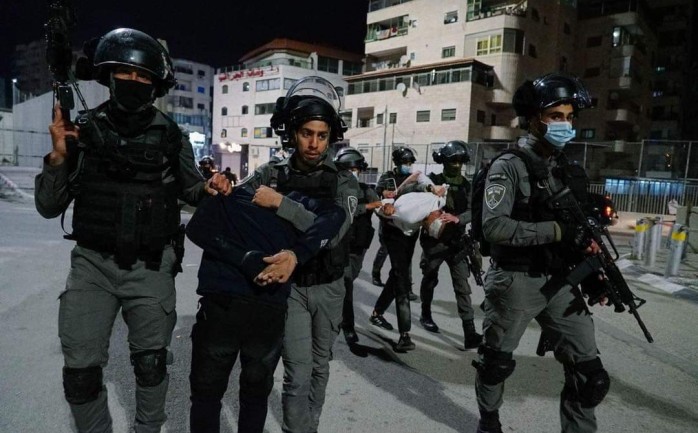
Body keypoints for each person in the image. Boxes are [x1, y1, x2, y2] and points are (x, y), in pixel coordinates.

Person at [34, 28, 232, 433]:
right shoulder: (84, 130)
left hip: (150, 266)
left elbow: (191, 189)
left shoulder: (171, 135)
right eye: (125, 72)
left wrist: (212, 188)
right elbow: (48, 206)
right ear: (108, 76)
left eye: (143, 75)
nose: (134, 81)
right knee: (80, 373)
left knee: (151, 365)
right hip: (92, 267)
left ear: (156, 84)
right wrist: (57, 156)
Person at [473, 73, 609, 433]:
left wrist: (590, 267)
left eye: (569, 117)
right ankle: (489, 422)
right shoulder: (509, 166)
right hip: (516, 280)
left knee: (590, 376)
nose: (565, 125)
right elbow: (494, 227)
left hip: (561, 280)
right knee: (496, 364)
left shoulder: (565, 168)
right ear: (533, 119)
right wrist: (558, 231)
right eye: (555, 116)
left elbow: (577, 227)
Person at [244, 76, 359, 433]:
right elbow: (236, 205)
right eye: (307, 133)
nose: (313, 143)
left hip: (330, 287)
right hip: (291, 288)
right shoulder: (270, 174)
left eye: (322, 135)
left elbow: (333, 233)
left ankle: (310, 426)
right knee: (297, 372)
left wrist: (281, 204)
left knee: (320, 367)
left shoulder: (344, 181)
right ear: (293, 133)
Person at [186, 183, 346, 433]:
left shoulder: (285, 201)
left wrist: (288, 249)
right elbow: (334, 217)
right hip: (251, 304)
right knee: (245, 394)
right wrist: (261, 258)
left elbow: (197, 228)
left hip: (238, 303)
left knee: (215, 393)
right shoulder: (242, 194)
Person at [369, 147, 445, 352]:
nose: (408, 165)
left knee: (397, 274)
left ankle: (377, 313)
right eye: (405, 162)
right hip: (392, 232)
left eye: (410, 162)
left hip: (410, 233)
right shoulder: (388, 178)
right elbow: (380, 196)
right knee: (402, 278)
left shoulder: (416, 179)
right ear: (397, 162)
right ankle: (405, 334)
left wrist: (432, 188)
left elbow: (422, 184)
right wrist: (386, 196)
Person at [418, 140, 482, 350]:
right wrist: (430, 191)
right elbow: (416, 191)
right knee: (429, 279)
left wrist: (458, 219)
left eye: (460, 161)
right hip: (434, 242)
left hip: (457, 243)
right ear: (444, 162)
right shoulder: (433, 180)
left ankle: (469, 332)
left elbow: (474, 210)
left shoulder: (466, 185)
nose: (457, 165)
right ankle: (425, 314)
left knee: (462, 287)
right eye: (453, 161)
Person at [333, 147, 383, 345]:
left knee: (347, 283)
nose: (353, 173)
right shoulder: (335, 189)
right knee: (346, 284)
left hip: (358, 247)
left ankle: (338, 316)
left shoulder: (366, 190)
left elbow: (380, 206)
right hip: (339, 245)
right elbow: (343, 210)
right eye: (349, 169)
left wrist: (387, 207)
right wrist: (366, 207)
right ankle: (348, 326)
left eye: (356, 169)